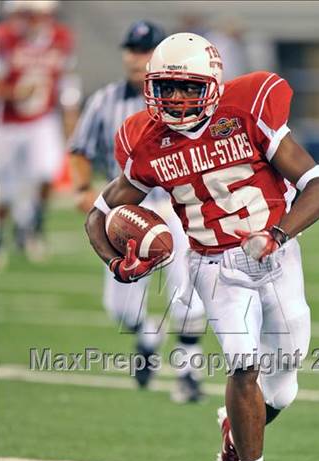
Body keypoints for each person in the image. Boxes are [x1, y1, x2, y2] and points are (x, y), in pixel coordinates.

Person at [85, 33, 319, 461]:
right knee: (243, 366)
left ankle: (234, 439)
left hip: (276, 255)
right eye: (167, 86)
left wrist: (276, 233)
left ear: (213, 86)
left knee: (283, 383)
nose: (176, 98)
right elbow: (99, 214)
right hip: (213, 266)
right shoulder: (145, 139)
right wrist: (118, 262)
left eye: (187, 86)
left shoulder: (247, 110)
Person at [70, 21, 205, 402]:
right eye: (131, 48)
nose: (136, 57)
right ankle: (147, 337)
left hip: (177, 206)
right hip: (125, 210)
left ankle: (188, 373)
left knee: (189, 295)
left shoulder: (186, 99)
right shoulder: (105, 100)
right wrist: (83, 188)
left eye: (145, 50)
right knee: (121, 307)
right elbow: (79, 148)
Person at [0, 0, 80, 266]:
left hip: (42, 120)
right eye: (27, 15)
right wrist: (14, 92)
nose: (31, 21)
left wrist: (70, 116)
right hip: (8, 121)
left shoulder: (61, 38)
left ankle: (33, 225)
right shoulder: (4, 39)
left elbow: (67, 80)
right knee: (4, 190)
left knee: (46, 173)